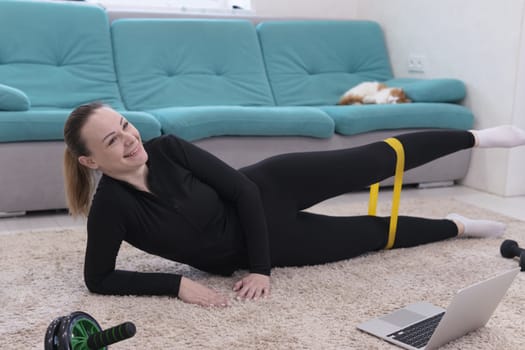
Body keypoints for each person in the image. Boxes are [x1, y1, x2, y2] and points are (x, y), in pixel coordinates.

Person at [63, 102, 525, 307]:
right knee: (371, 235)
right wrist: (175, 287)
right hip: (277, 242)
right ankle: (457, 226)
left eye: (125, 125)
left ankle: (477, 138)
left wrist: (261, 269)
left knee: (373, 160)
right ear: (89, 160)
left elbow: (242, 191)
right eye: (112, 139)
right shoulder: (112, 209)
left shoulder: (166, 148)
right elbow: (97, 278)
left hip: (271, 187)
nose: (129, 138)